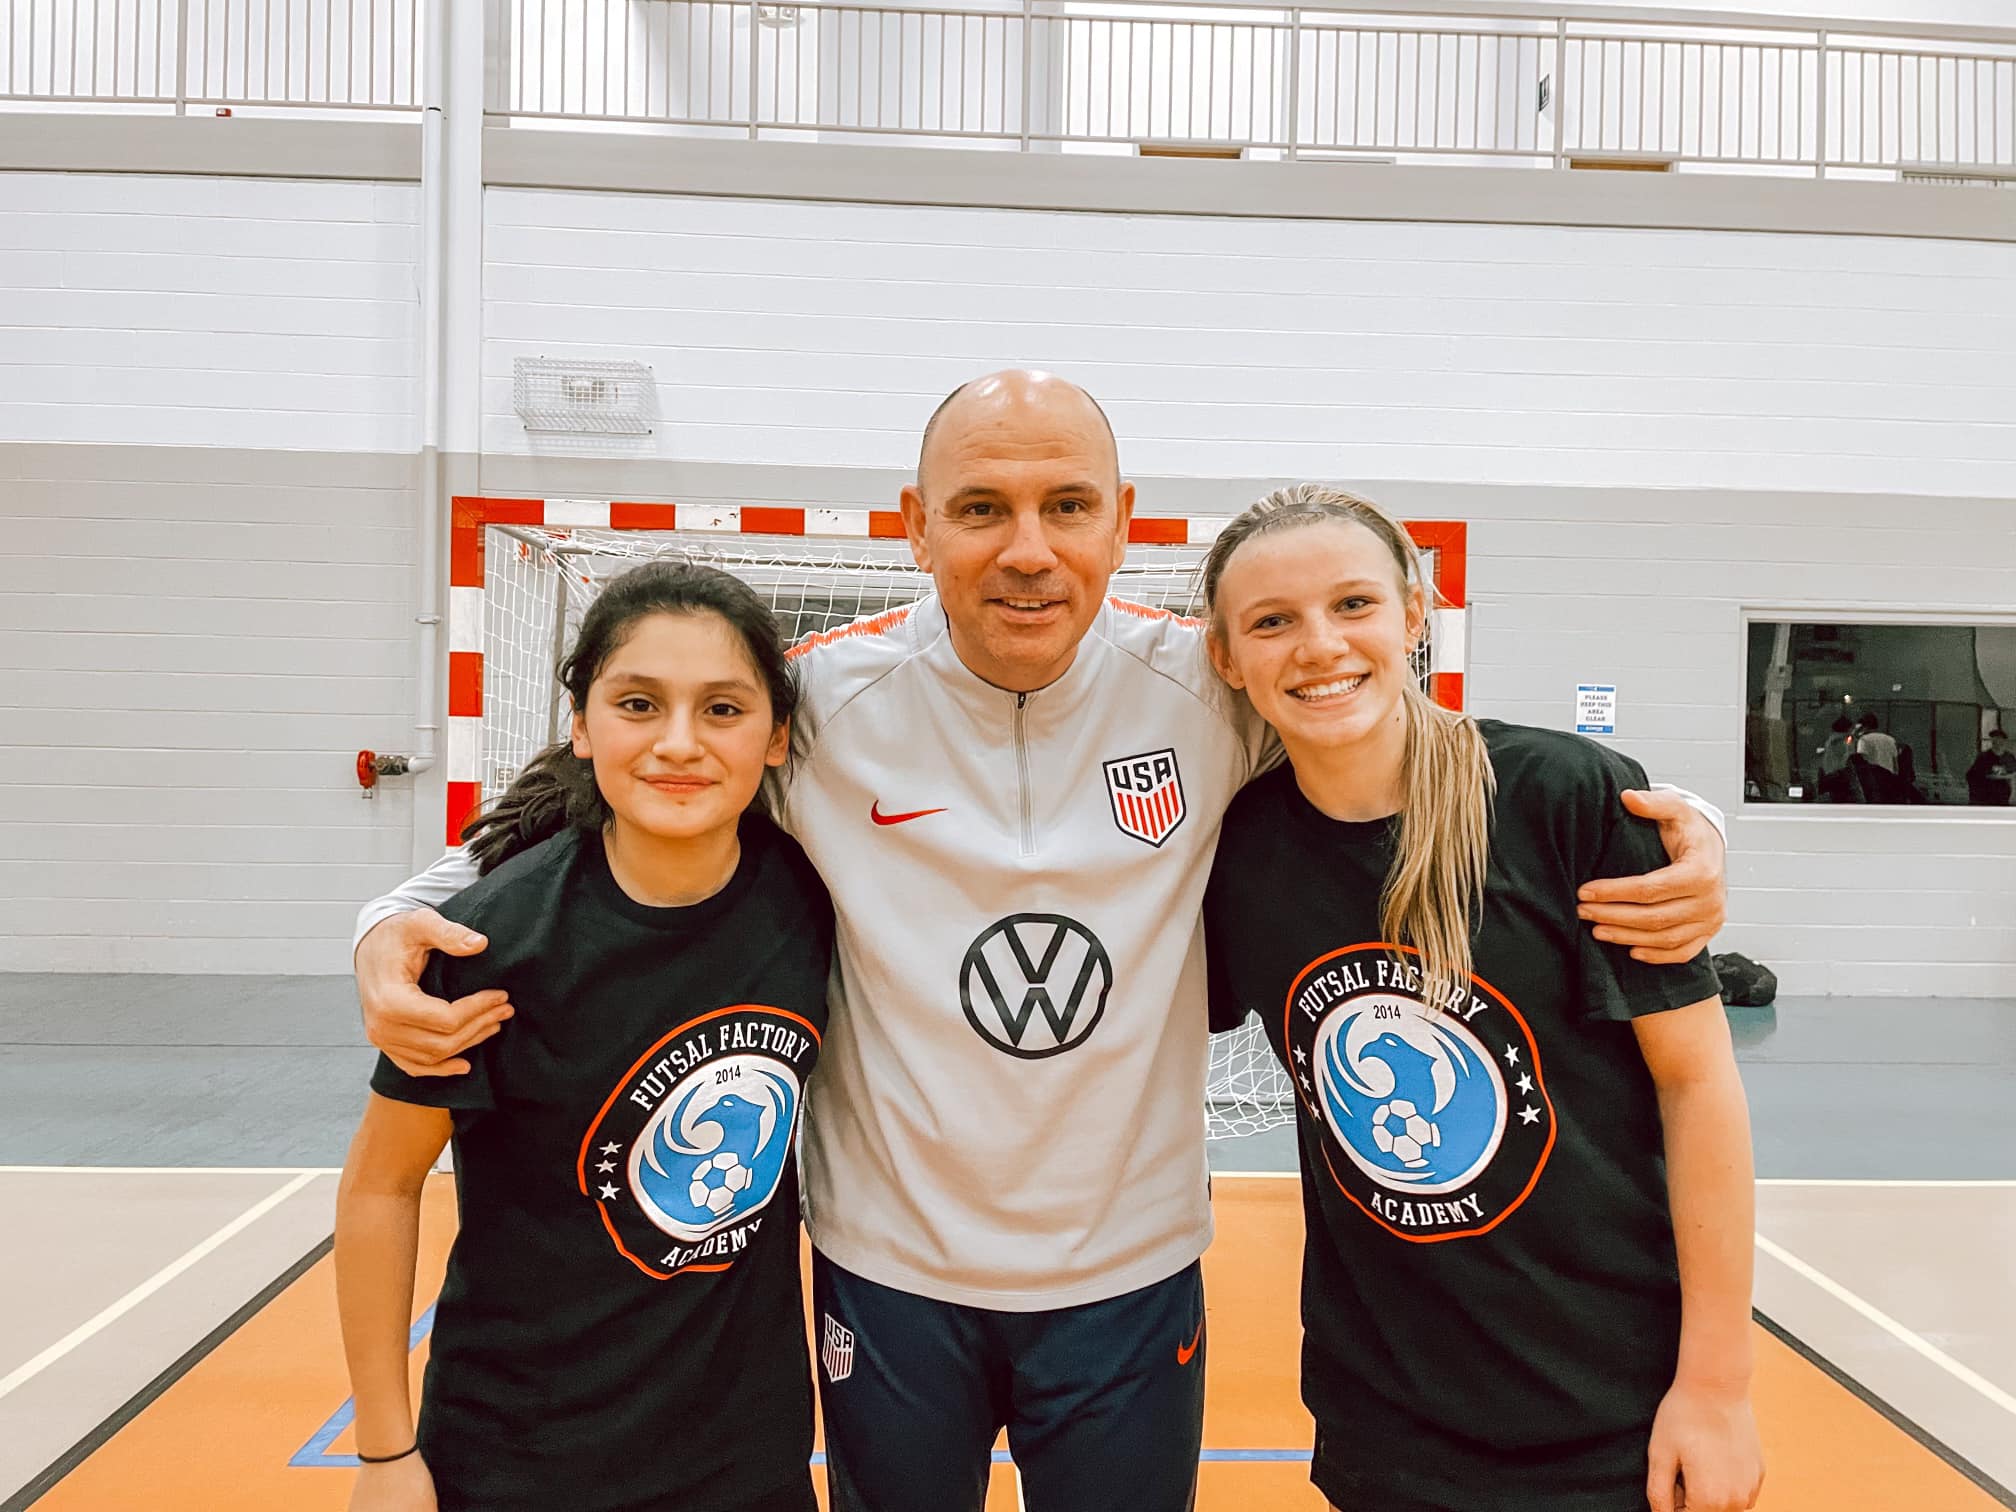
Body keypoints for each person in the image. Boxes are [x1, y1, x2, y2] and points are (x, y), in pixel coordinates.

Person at [350, 372, 1731, 1512]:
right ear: (916, 527)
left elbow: (1404, 736)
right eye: (982, 509)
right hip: (888, 1274)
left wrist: (1686, 828)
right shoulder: (821, 706)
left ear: (1122, 522)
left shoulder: (1219, 680)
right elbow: (609, 792)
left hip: (1128, 1273)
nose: (1028, 547)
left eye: (1068, 506)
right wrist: (398, 913)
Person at [1200, 485, 1762, 1512]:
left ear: (1417, 614)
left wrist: (1716, 1387)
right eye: (1272, 621)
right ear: (1228, 658)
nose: (1319, 645)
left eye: (1354, 605)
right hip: (1385, 1416)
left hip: (1608, 1412)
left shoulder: (1563, 796)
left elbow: (1699, 1087)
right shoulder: (1242, 848)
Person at [336, 562, 832, 1512]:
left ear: (776, 737)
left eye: (722, 709)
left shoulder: (812, 896)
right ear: (581, 723)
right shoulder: (490, 939)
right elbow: (381, 1184)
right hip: (519, 1456)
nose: (678, 744)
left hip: (746, 1456)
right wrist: (384, 1453)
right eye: (639, 704)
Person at [1968, 728, 2016, 806]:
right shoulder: (1983, 757)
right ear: (1992, 741)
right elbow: (1973, 775)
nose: (1997, 742)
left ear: (2004, 741)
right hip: (1986, 795)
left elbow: (2013, 773)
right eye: (1995, 739)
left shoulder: (2009, 757)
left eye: (2000, 739)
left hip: (2003, 795)